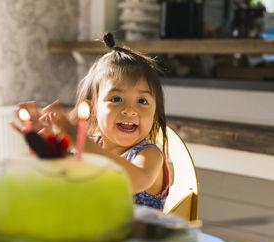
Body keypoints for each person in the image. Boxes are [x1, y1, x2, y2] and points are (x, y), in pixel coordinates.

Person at [12, 32, 171, 210]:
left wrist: (81, 142)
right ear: (92, 110)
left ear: (155, 113)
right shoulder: (91, 143)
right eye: (116, 99)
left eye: (142, 101)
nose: (130, 110)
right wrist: (48, 146)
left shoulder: (149, 155)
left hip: (138, 236)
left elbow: (133, 180)